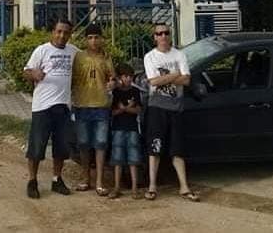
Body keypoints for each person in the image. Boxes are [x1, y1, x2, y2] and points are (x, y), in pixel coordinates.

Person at [143, 23, 199, 202]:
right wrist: (175, 75)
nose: (163, 36)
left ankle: (184, 186)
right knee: (155, 147)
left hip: (176, 107)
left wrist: (166, 78)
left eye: (166, 33)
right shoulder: (150, 57)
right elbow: (153, 82)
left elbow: (187, 80)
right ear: (155, 37)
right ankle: (152, 186)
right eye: (159, 34)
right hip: (157, 107)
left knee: (177, 149)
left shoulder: (179, 54)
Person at [23, 19, 77, 199]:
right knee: (37, 147)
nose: (62, 35)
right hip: (42, 107)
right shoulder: (42, 50)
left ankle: (56, 179)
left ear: (70, 34)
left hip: (63, 106)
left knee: (61, 148)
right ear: (52, 32)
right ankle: (32, 181)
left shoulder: (74, 52)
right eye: (59, 31)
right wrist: (33, 74)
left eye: (66, 32)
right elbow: (26, 71)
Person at [71, 23, 114, 196]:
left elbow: (113, 79)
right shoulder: (78, 57)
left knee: (101, 144)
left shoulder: (106, 58)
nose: (93, 41)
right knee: (83, 144)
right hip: (82, 105)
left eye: (96, 37)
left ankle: (99, 181)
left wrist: (113, 83)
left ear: (101, 39)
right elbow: (71, 79)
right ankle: (85, 178)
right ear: (85, 40)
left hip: (102, 106)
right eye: (90, 38)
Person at [108, 62, 142, 200]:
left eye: (130, 76)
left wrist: (126, 109)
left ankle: (135, 187)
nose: (128, 79)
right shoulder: (115, 93)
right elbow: (112, 112)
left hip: (132, 128)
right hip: (117, 128)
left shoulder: (135, 91)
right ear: (119, 77)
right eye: (125, 76)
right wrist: (125, 108)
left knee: (133, 159)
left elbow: (138, 110)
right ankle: (117, 187)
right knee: (117, 158)